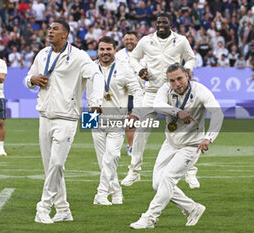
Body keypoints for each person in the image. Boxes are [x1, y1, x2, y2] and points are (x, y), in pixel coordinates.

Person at [25, 20, 104, 224]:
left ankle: (43, 208)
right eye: (49, 28)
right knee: (50, 167)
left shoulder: (78, 56)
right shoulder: (42, 54)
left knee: (57, 163)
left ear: (65, 35)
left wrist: (95, 101)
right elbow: (28, 78)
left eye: (55, 29)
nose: (50, 31)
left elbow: (95, 75)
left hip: (67, 118)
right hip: (44, 117)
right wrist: (32, 80)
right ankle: (63, 209)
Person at [130, 63, 224, 229]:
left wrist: (209, 138)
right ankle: (192, 208)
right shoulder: (165, 89)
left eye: (180, 78)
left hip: (191, 145)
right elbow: (157, 104)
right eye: (172, 81)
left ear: (187, 75)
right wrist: (177, 112)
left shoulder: (200, 91)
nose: (177, 84)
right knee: (157, 184)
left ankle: (149, 218)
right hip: (171, 143)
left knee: (167, 179)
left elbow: (218, 113)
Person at [121, 13, 199, 189]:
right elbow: (132, 57)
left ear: (170, 23)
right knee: (142, 130)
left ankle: (190, 170)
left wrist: (187, 69)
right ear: (155, 24)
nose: (161, 25)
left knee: (183, 131)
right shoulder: (146, 40)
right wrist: (140, 69)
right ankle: (134, 171)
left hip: (174, 91)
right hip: (152, 91)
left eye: (164, 22)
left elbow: (191, 57)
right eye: (159, 23)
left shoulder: (180, 40)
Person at [89, 36, 142, 205]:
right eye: (102, 49)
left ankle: (102, 193)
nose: (105, 53)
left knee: (112, 155)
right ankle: (117, 192)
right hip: (92, 117)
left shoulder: (124, 68)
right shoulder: (89, 68)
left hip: (117, 117)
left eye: (108, 49)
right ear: (98, 50)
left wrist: (136, 113)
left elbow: (138, 91)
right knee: (102, 160)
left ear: (114, 50)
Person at [115, 31, 143, 156]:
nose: (129, 41)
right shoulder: (118, 55)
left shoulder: (143, 54)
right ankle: (131, 145)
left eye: (132, 39)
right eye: (127, 39)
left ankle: (136, 144)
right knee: (130, 118)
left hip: (142, 91)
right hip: (126, 92)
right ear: (123, 41)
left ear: (136, 41)